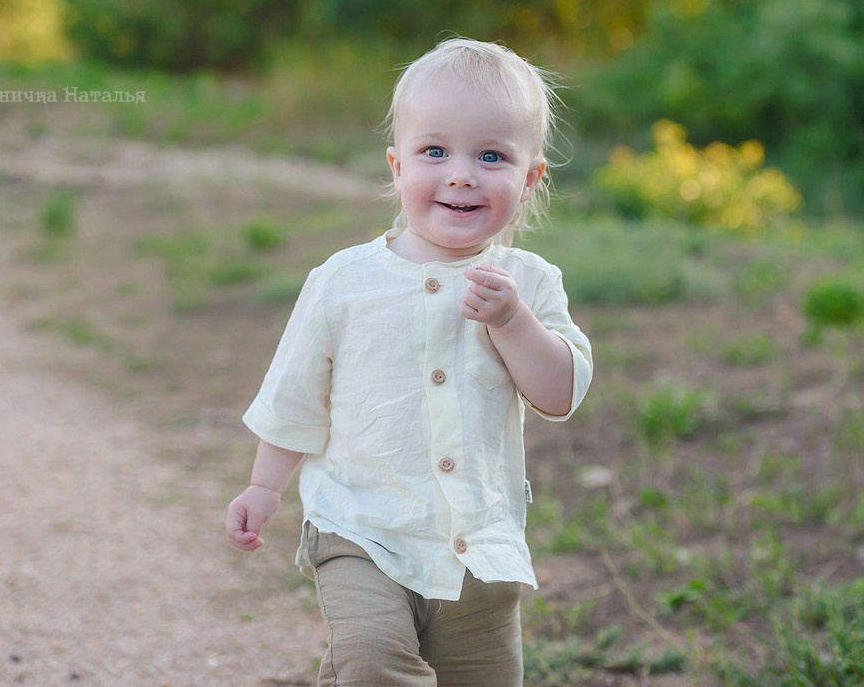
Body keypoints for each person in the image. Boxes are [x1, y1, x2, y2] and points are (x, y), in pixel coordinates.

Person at [225, 37, 593, 687]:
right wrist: (263, 487)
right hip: (360, 529)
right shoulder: (344, 280)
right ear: (397, 166)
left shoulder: (529, 283)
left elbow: (559, 391)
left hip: (478, 548)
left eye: (490, 155)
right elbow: (296, 396)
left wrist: (513, 322)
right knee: (371, 660)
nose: (460, 173)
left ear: (530, 177)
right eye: (434, 151)